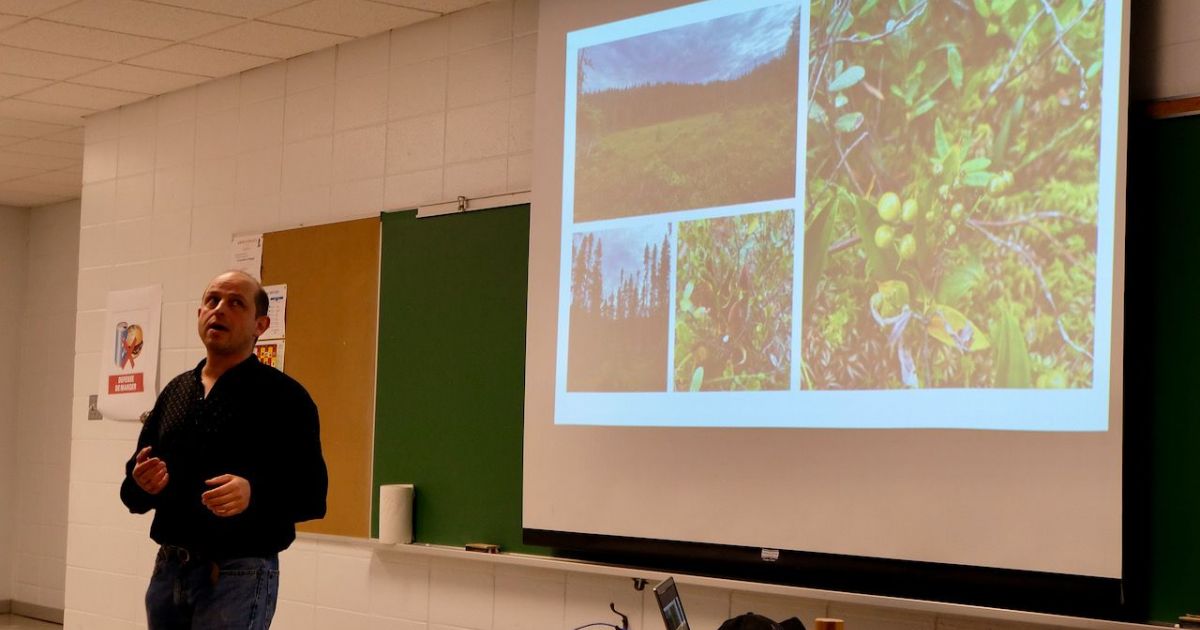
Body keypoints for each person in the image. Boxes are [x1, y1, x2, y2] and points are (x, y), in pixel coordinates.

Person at [120, 270, 328, 630]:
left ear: (260, 324)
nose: (219, 310)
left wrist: (254, 494)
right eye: (212, 301)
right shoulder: (176, 392)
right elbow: (133, 495)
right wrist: (142, 484)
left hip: (238, 572)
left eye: (235, 303)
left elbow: (312, 495)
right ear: (199, 314)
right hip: (170, 569)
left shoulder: (285, 398)